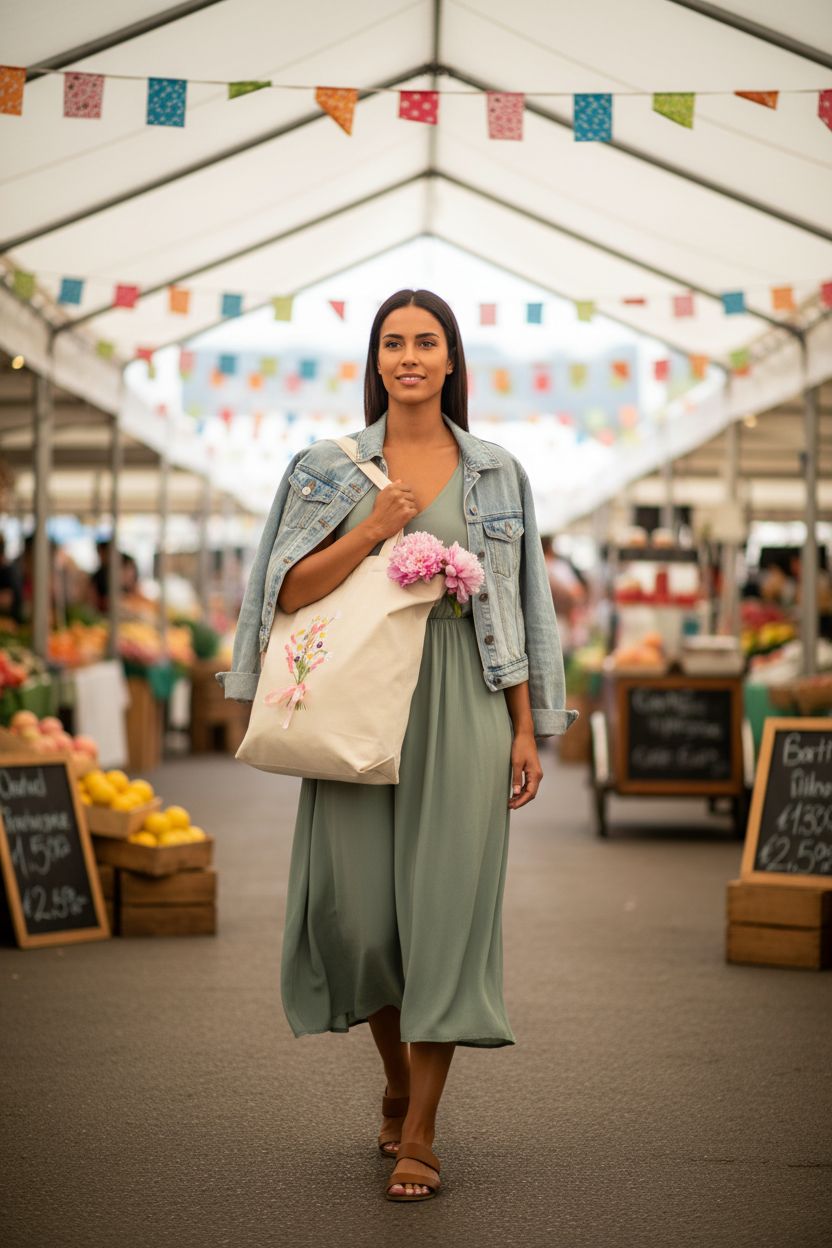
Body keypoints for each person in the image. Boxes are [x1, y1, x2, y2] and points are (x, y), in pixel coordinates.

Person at [218, 289, 576, 1203]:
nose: (409, 355)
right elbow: (283, 592)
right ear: (375, 361)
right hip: (355, 701)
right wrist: (374, 533)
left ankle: (421, 1128)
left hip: (464, 698)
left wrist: (527, 724)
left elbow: (525, 602)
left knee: (444, 916)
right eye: (393, 343)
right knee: (363, 922)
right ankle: (396, 1075)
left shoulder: (498, 471)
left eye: (427, 341)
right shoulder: (321, 470)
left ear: (452, 359)